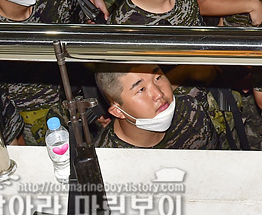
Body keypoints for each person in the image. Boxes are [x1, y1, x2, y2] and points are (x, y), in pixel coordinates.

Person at [93, 63, 228, 150]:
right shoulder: (107, 157)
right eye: (141, 89)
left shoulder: (191, 110)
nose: (159, 94)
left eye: (158, 78)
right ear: (118, 111)